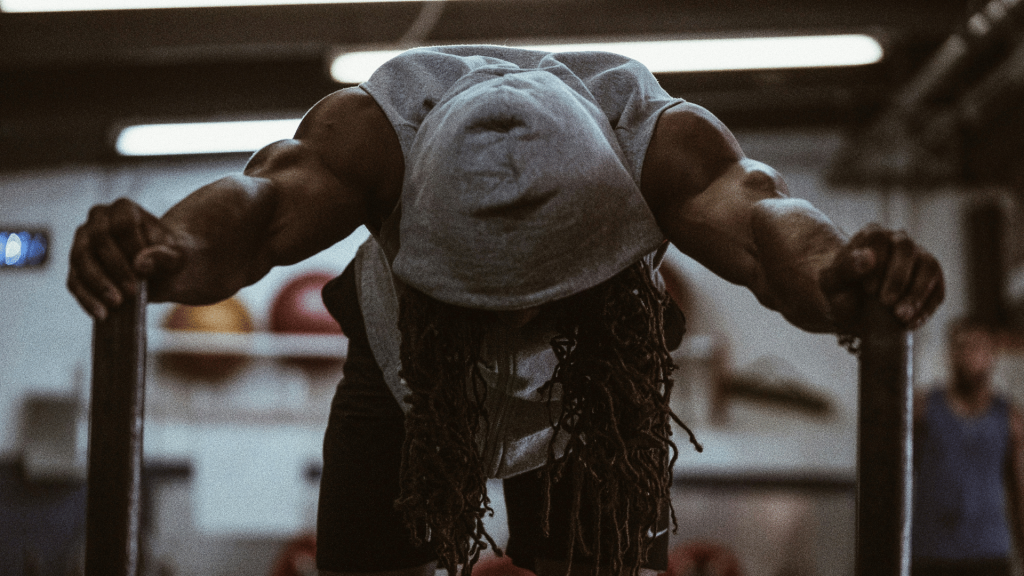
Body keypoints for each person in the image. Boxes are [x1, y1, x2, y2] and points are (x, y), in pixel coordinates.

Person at [66, 46, 945, 576]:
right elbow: (255, 215)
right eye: (483, 307)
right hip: (406, 370)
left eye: (534, 307)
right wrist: (167, 248)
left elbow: (762, 227)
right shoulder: (376, 136)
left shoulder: (656, 144)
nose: (509, 337)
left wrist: (840, 275)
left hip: (602, 382)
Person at [912, 319, 1024, 576]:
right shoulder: (923, 409)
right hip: (931, 553)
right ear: (950, 353)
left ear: (991, 355)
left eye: (977, 347)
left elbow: (1018, 490)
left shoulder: (1009, 418)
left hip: (990, 553)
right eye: (960, 347)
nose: (969, 355)